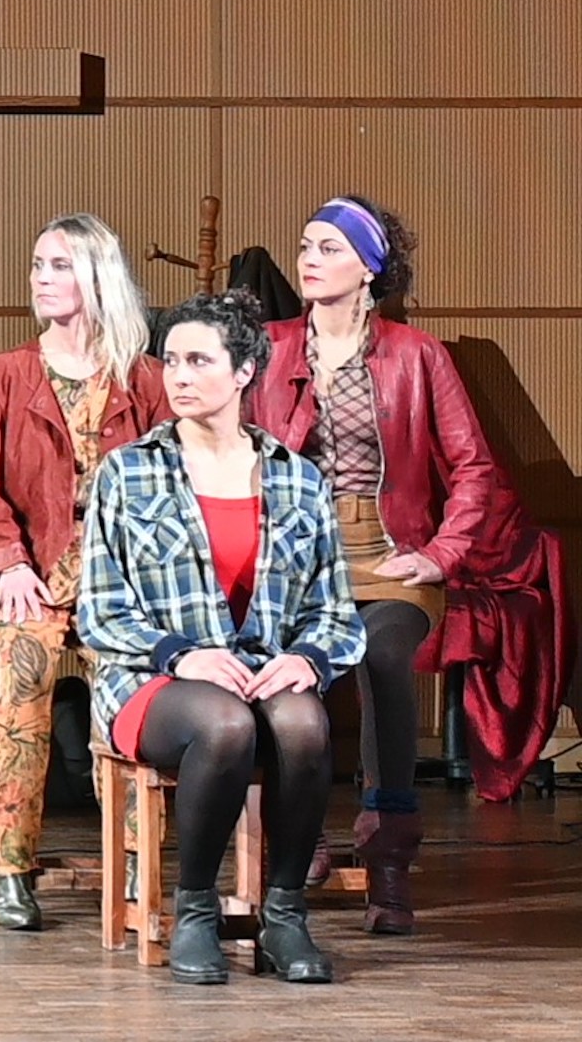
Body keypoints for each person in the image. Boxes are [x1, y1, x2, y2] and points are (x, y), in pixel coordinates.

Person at [79, 290, 366, 985]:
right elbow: (100, 611)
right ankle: (197, 908)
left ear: (243, 372)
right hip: (151, 677)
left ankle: (285, 912)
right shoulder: (129, 472)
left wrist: (308, 659)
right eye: (171, 360)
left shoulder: (298, 480)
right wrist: (180, 655)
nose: (178, 375)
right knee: (225, 724)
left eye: (198, 361)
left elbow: (335, 612)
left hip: (258, 669)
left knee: (303, 721)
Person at [249, 195, 507, 933]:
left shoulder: (417, 355)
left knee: (382, 656)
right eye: (305, 245)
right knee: (284, 670)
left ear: (368, 268)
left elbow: (474, 467)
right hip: (295, 558)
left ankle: (389, 855)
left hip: (389, 554)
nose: (308, 259)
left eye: (328, 248)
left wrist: (441, 553)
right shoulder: (269, 348)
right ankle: (301, 835)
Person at [0, 213, 169, 930]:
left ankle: (138, 858)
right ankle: (12, 867)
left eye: (59, 265)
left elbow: (166, 487)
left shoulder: (146, 380)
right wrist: (7, 562)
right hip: (30, 577)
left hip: (118, 586)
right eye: (37, 265)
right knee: (27, 676)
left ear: (97, 277)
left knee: (132, 688)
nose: (41, 279)